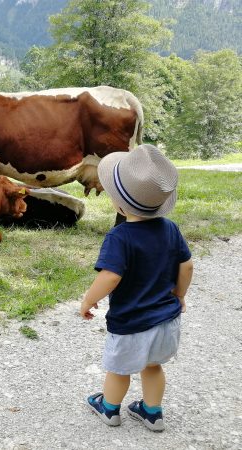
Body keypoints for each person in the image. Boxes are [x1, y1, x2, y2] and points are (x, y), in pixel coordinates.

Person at [80, 144, 194, 431]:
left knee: (118, 370)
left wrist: (88, 300)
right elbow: (187, 266)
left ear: (119, 204)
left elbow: (110, 277)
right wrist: (179, 295)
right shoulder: (170, 229)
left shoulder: (120, 237)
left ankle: (109, 408)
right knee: (153, 366)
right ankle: (152, 412)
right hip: (166, 320)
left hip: (131, 322)